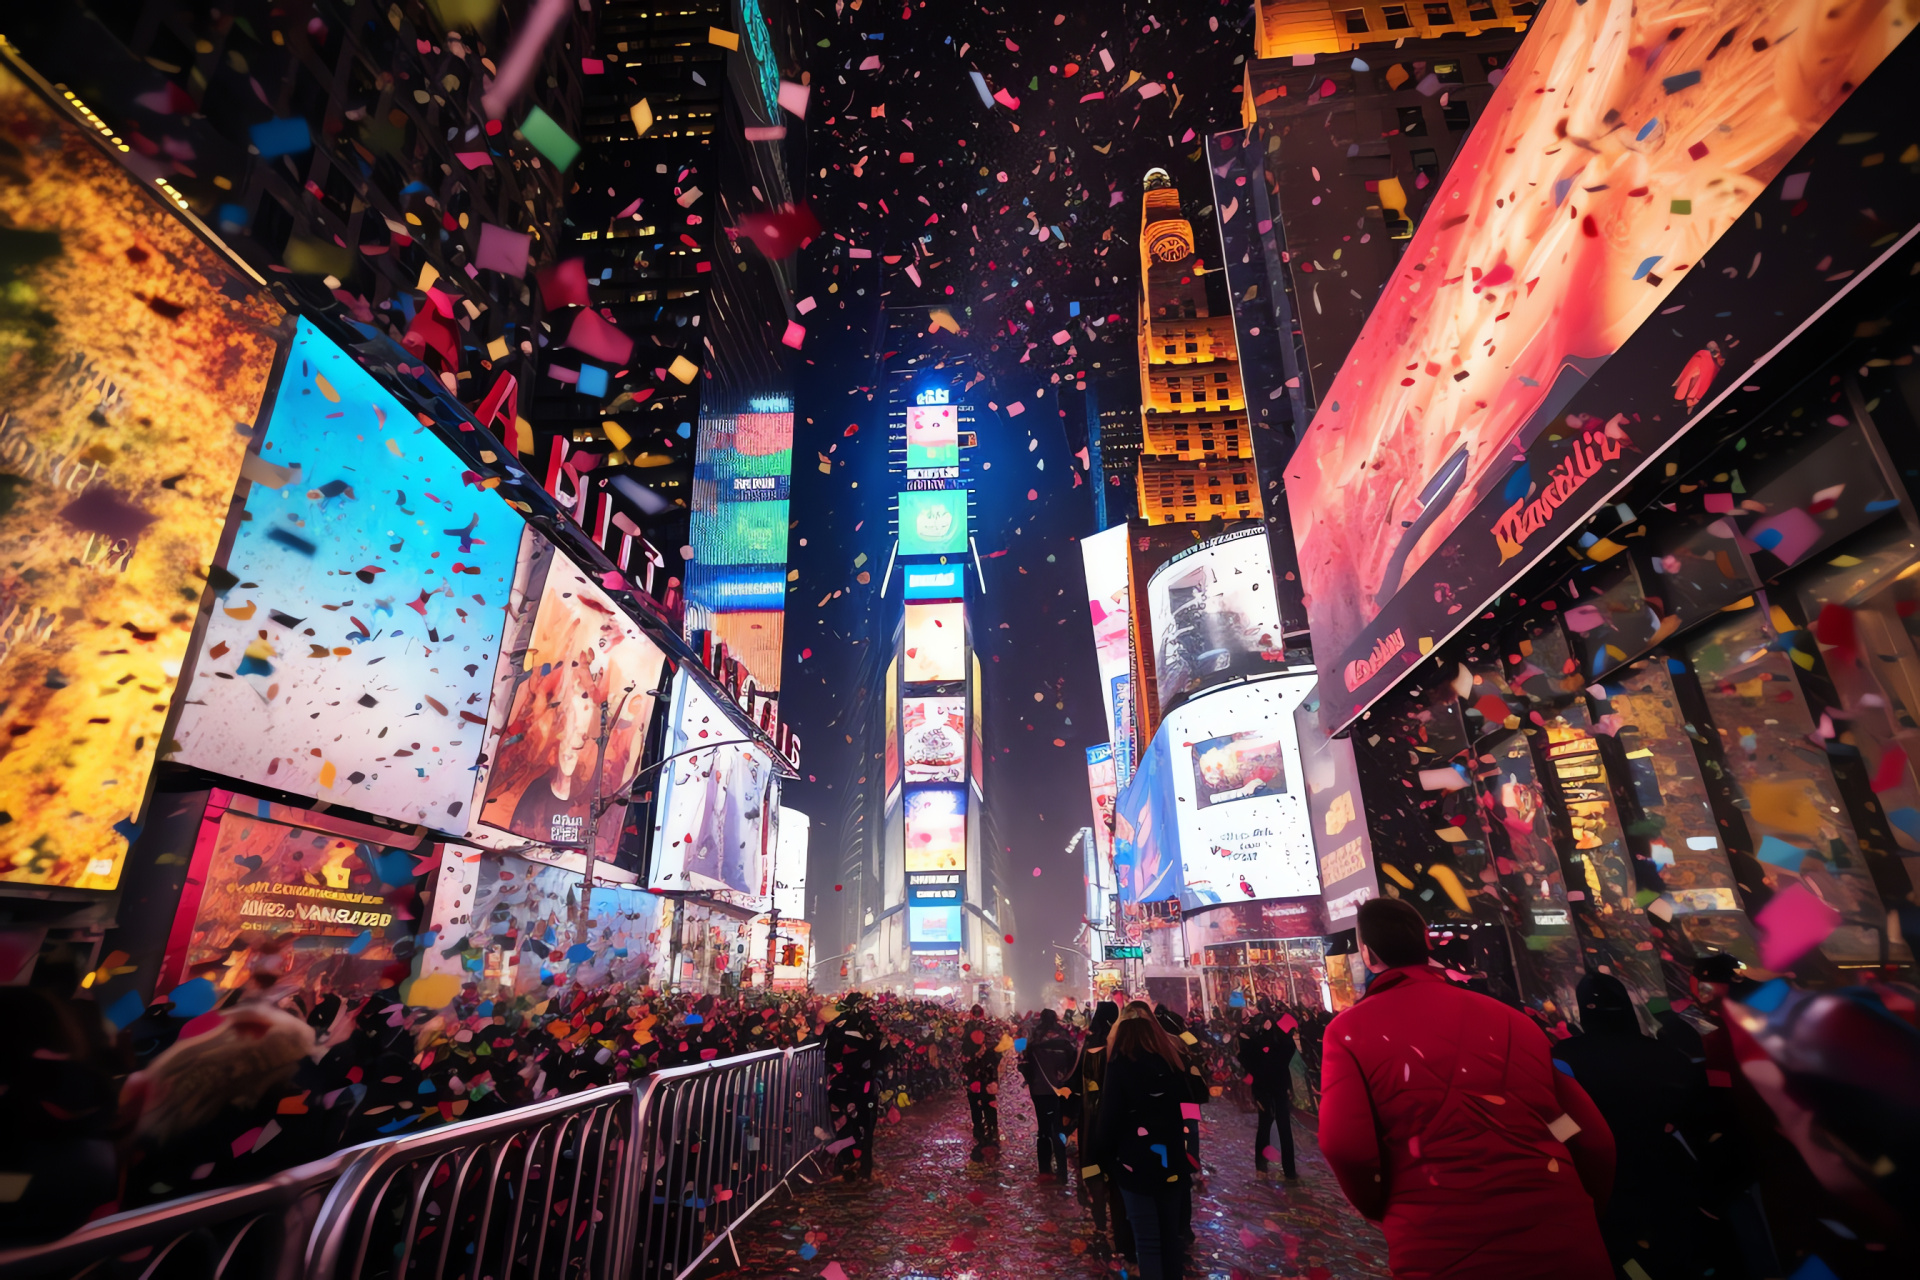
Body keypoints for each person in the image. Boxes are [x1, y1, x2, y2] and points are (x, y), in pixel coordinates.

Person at [1318, 897, 1616, 1279]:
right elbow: (1580, 1132)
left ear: (1366, 953)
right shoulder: (1512, 1021)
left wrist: (1384, 1206)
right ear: (1426, 941)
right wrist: (1582, 1207)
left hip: (1441, 1250)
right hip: (1567, 1243)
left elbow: (1347, 1149)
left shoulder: (1348, 1033)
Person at [1552, 972, 1712, 1278]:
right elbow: (1694, 1113)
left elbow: (1557, 1121)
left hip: (1599, 1177)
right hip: (1664, 1176)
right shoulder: (1667, 1055)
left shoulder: (1564, 1057)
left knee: (1621, 1256)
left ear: (1585, 1010)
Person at [1093, 1004, 1197, 1280]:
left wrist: (1103, 1161)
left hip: (1135, 1165)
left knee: (1148, 1243)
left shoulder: (1118, 1066)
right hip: (1172, 1160)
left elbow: (1109, 1119)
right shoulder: (1173, 1062)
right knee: (1170, 1239)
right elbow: (1191, 1106)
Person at [1067, 1000, 1132, 1260]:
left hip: (1091, 1119)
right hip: (1117, 1119)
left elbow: (1073, 1084)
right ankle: (1119, 1227)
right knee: (1115, 1172)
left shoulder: (1089, 1047)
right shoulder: (1122, 1046)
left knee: (1093, 1167)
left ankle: (1100, 1223)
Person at [1236, 996, 1298, 1177]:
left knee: (1265, 1124)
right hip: (1278, 1082)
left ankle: (1262, 1168)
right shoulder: (1279, 1030)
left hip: (1264, 1084)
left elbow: (1245, 1058)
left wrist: (1258, 1071)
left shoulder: (1248, 1033)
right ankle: (1289, 1171)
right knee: (1282, 1126)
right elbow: (1289, 1048)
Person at [1018, 1007, 1078, 1179]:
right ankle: (1062, 1171)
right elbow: (1073, 1063)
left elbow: (1023, 1062)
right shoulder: (1065, 1038)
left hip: (1039, 1090)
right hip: (1061, 1090)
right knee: (1058, 1128)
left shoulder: (1034, 1038)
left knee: (1043, 1129)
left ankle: (1044, 1169)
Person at [960, 1003, 1004, 1159]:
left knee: (975, 1103)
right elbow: (998, 1054)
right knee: (989, 1103)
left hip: (973, 1074)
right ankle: (992, 1131)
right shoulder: (991, 1031)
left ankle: (979, 1131)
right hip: (988, 1074)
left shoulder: (966, 1031)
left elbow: (962, 1054)